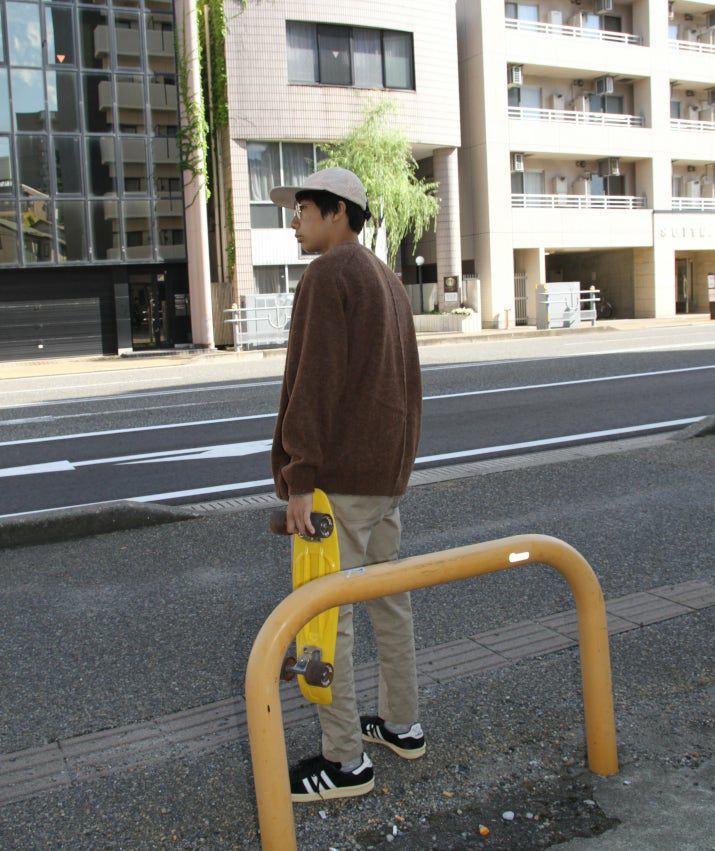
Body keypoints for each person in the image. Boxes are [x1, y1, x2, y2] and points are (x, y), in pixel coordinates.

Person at [269, 167, 424, 802]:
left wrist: (299, 477)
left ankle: (345, 760)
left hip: (337, 483)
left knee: (326, 619)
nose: (294, 221)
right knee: (390, 603)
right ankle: (402, 724)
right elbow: (408, 385)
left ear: (338, 211)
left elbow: (315, 381)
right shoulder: (386, 279)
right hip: (385, 478)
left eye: (302, 209)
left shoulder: (328, 274)